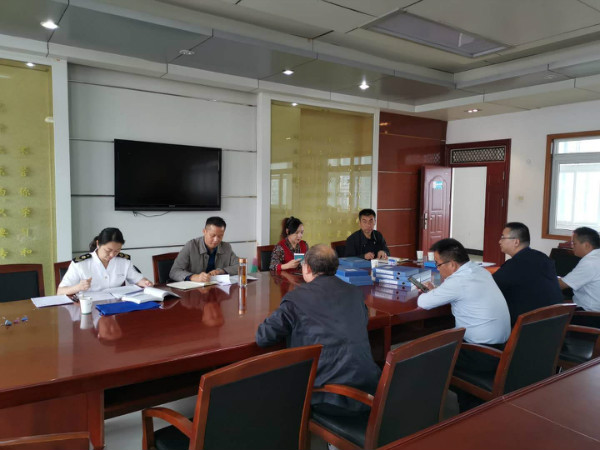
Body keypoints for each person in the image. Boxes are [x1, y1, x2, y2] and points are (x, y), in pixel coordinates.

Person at [256, 244, 381, 414]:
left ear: (307, 268)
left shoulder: (296, 298)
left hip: (331, 397)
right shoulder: (355, 293)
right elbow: (361, 321)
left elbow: (263, 337)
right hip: (371, 388)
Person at [417, 238, 510, 411]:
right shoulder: (479, 271)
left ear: (452, 264)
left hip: (481, 354)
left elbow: (423, 302)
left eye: (438, 264)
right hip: (504, 349)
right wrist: (438, 292)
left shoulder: (458, 282)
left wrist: (430, 293)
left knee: (425, 355)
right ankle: (468, 401)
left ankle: (432, 412)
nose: (437, 269)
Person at [493, 222, 562, 325]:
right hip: (555, 324)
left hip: (526, 327)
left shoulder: (515, 265)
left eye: (503, 237)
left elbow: (491, 287)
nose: (499, 241)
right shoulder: (543, 258)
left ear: (516, 242)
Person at [57, 227, 153, 295]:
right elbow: (60, 291)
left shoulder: (124, 261)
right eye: (108, 250)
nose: (112, 255)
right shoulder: (81, 263)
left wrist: (145, 282)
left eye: (117, 251)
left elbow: (137, 279)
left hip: (116, 308)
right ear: (98, 244)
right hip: (90, 308)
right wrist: (78, 287)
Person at [170, 216, 239, 282]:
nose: (216, 240)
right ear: (204, 231)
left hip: (217, 287)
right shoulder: (191, 246)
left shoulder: (226, 247)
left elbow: (240, 266)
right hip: (194, 288)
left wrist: (221, 271)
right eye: (212, 235)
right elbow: (174, 272)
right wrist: (194, 277)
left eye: (220, 236)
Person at [559, 227, 600, 311]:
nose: (572, 246)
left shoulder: (590, 262)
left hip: (589, 313)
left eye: (574, 243)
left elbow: (561, 285)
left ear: (586, 245)